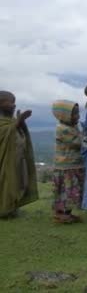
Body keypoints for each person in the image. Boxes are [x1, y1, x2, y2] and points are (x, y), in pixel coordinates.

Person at [0, 91, 38, 219]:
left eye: (14, 101)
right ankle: (4, 211)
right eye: (10, 102)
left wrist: (20, 123)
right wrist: (18, 122)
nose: (13, 105)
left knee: (16, 183)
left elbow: (18, 133)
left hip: (16, 158)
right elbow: (4, 133)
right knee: (5, 184)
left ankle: (12, 209)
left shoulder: (11, 121)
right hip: (4, 161)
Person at [51, 100, 85, 224]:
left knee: (71, 191)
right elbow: (78, 143)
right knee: (66, 191)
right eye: (74, 114)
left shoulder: (72, 127)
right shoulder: (63, 129)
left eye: (77, 113)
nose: (78, 116)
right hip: (66, 166)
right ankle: (61, 214)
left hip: (73, 165)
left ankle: (67, 213)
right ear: (63, 115)